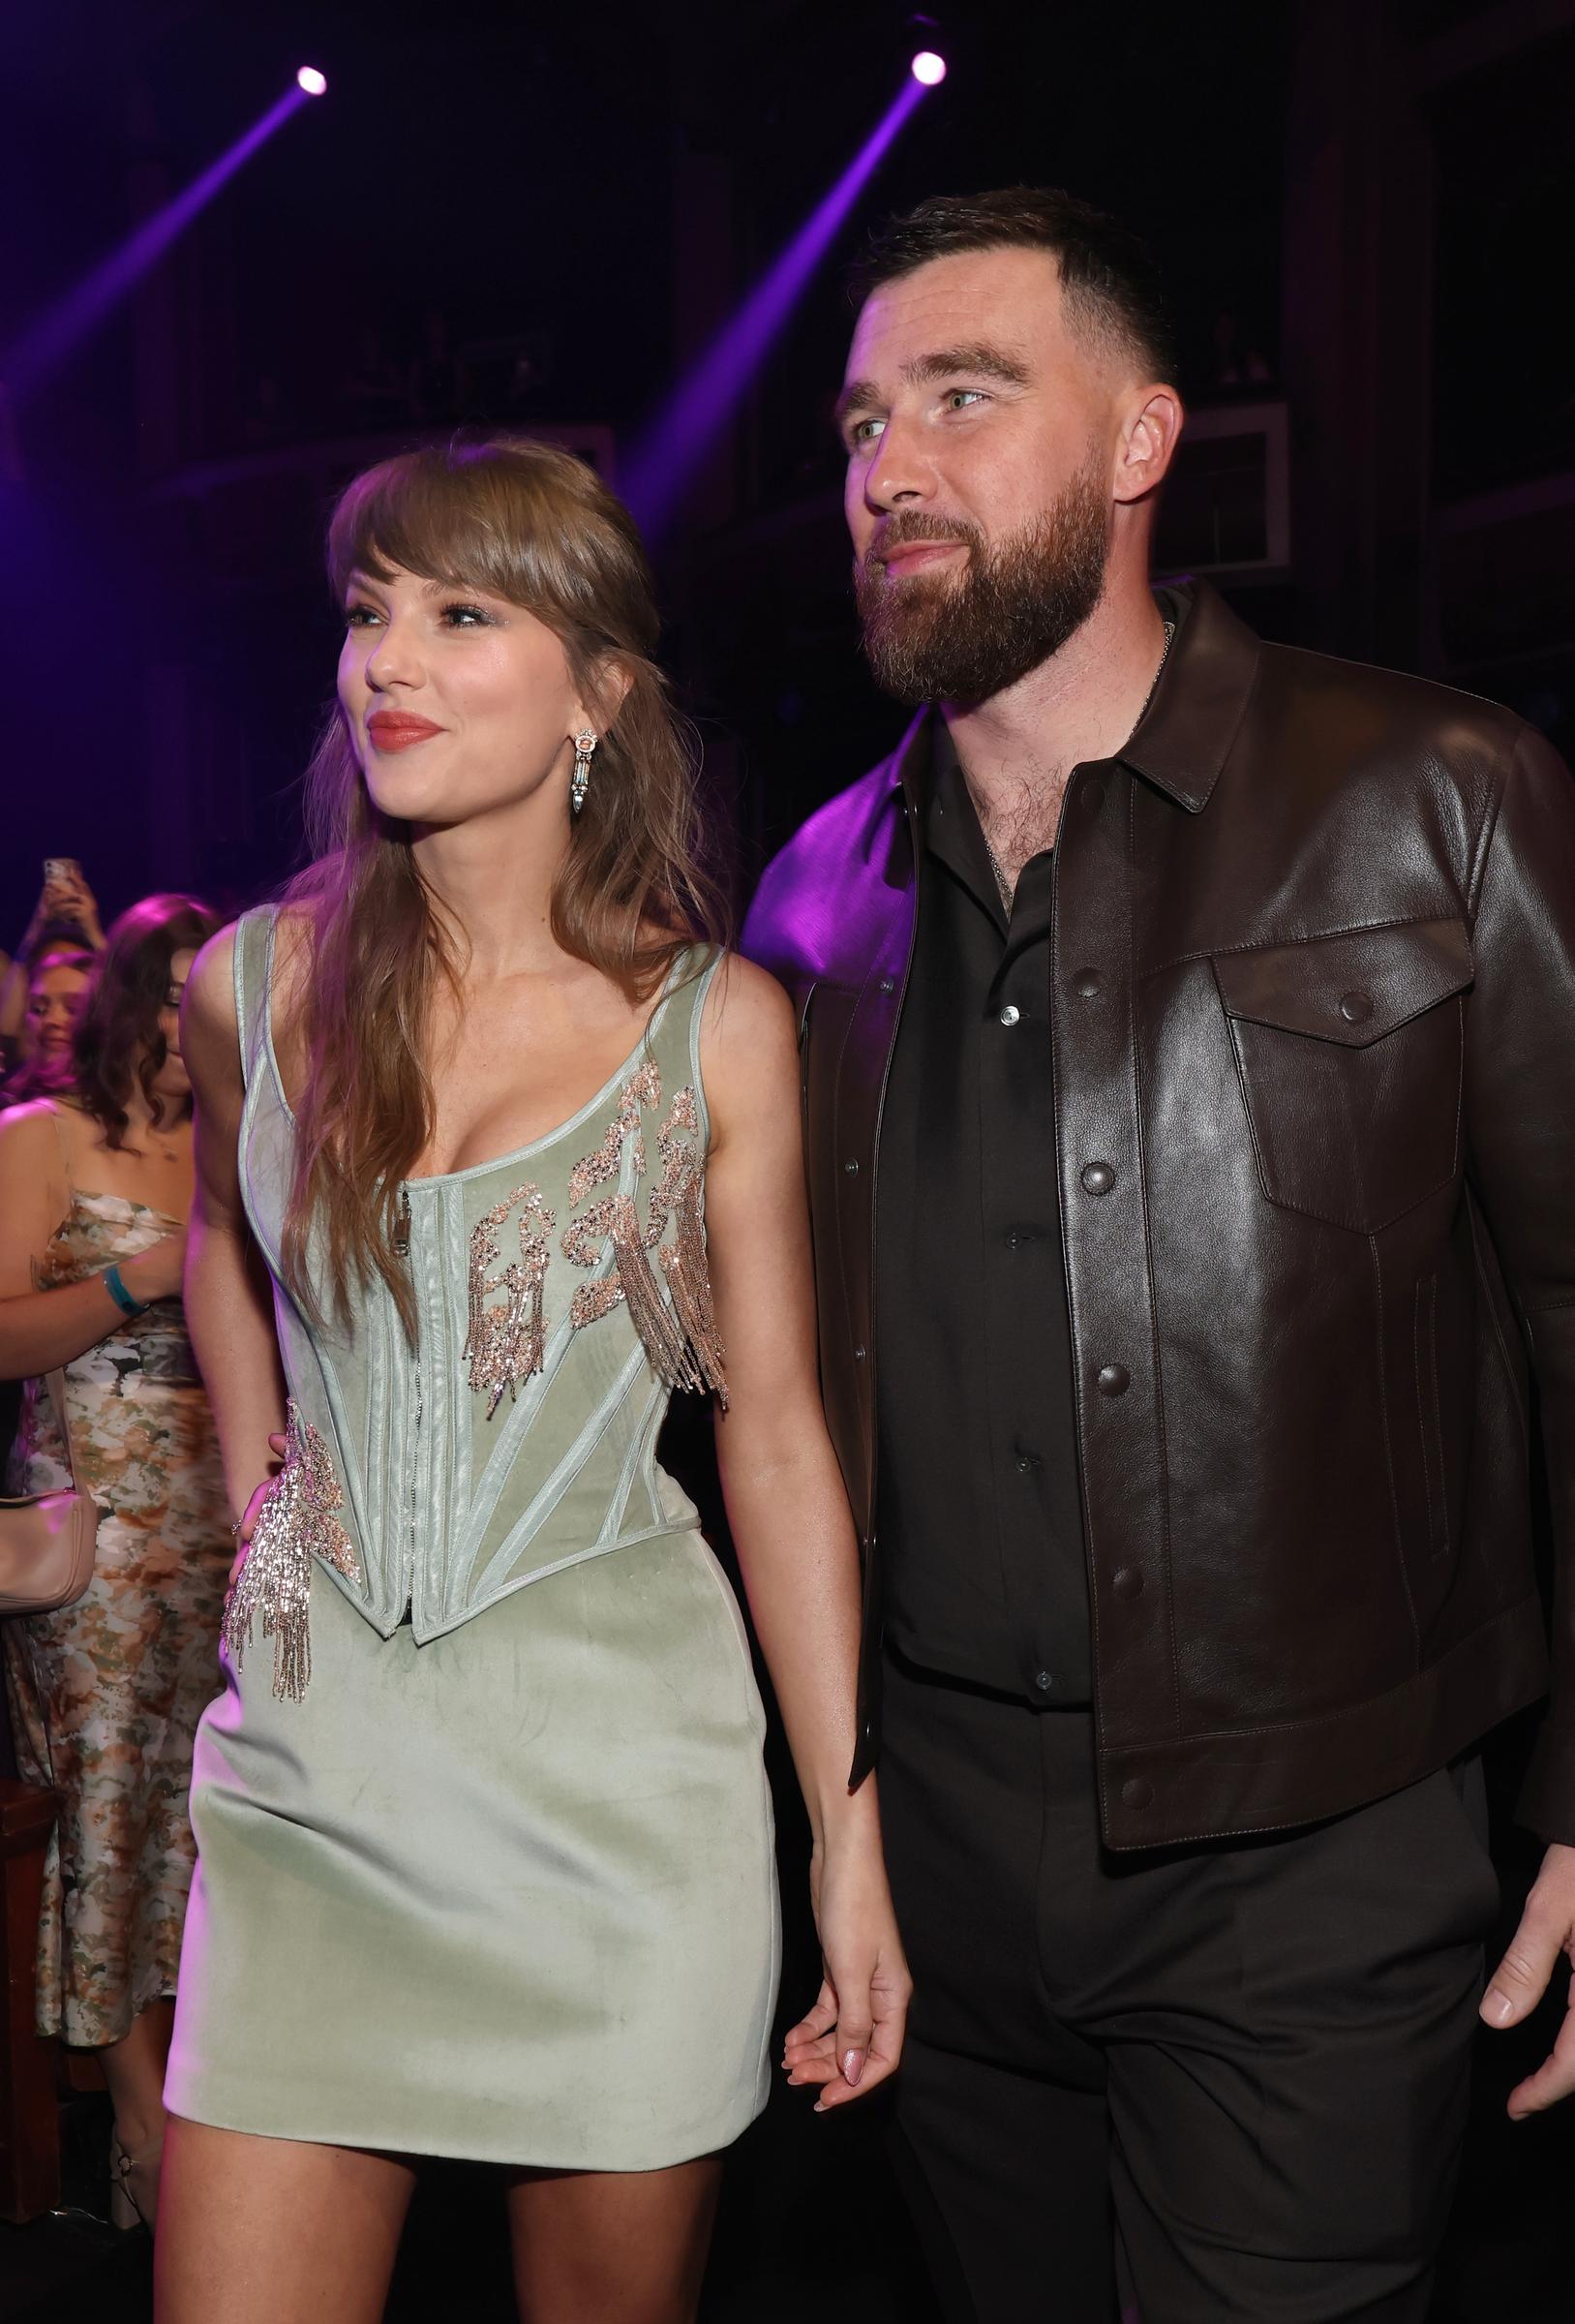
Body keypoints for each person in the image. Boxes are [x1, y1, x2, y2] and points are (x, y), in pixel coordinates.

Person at [743, 185, 1575, 2323]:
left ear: (1138, 444)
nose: (886, 470)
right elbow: (759, 1410)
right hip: (930, 1871)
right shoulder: (814, 898)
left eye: (959, 395)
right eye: (856, 426)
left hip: (1313, 1860)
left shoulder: (1433, 791)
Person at [155, 438, 908, 2324]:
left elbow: (780, 1441)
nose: (382, 661)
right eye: (367, 611)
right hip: (312, 1800)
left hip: (617, 1824)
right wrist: (262, 1503)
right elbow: (215, 1245)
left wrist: (848, 1845)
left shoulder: (713, 1032)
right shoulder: (246, 991)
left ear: (597, 695)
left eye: (460, 614)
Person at [0, 892, 227, 2233]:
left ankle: (207, 2091)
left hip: (223, 1527)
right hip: (94, 1537)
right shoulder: (42, 1137)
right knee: (106, 1809)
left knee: (207, 1819)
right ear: (123, 1001)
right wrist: (146, 1277)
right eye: (170, 992)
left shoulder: (244, 1143)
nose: (188, 1022)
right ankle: (137, 2116)